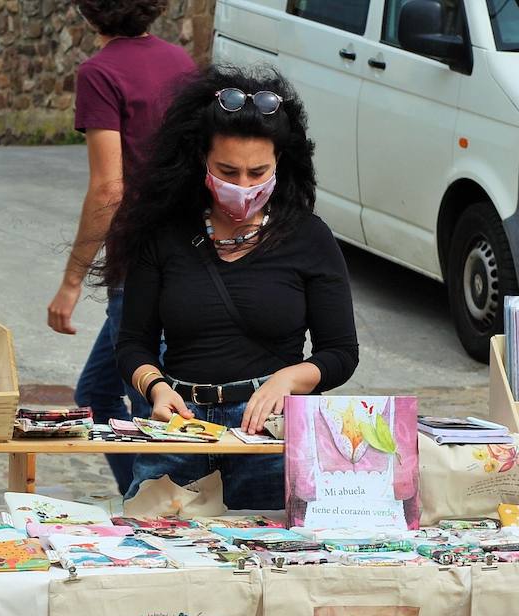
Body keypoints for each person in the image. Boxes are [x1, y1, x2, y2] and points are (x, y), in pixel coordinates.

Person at [111, 66, 359, 511]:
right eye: (227, 170)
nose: (242, 186)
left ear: (280, 164)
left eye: (257, 172)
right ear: (200, 160)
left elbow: (340, 352)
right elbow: (133, 344)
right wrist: (156, 389)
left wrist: (290, 378)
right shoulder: (164, 235)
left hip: (270, 434)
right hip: (178, 432)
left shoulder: (310, 238)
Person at [46, 0, 195, 495]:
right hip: (186, 251)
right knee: (96, 394)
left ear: (86, 12)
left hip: (141, 262)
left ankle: (149, 509)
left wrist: (71, 282)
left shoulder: (98, 73)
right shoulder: (181, 62)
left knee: (143, 399)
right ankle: (142, 499)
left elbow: (109, 188)